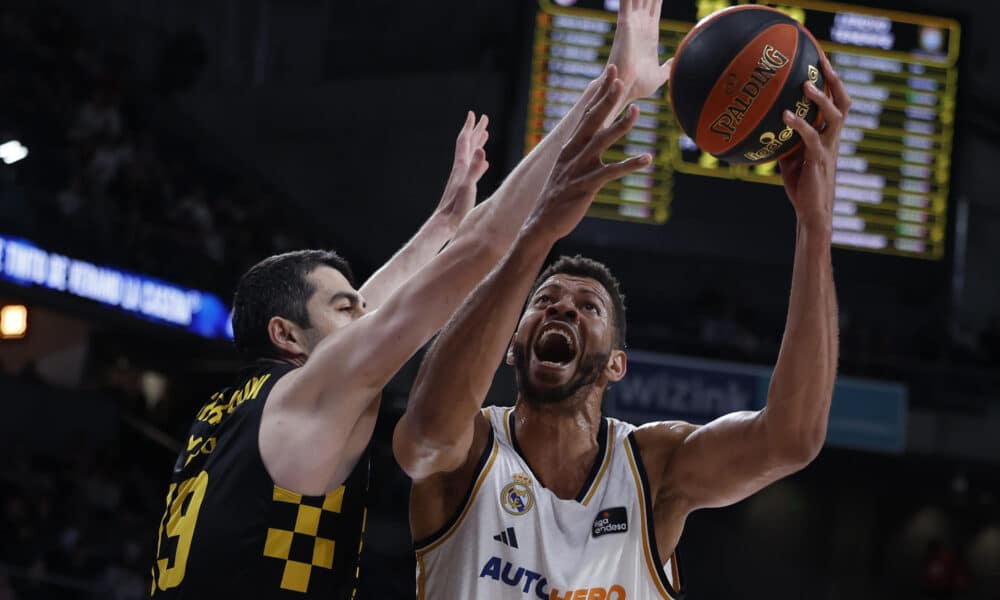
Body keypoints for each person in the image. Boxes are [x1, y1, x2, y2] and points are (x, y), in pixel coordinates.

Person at [148, 7, 668, 595]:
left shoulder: (236, 412)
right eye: (345, 309)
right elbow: (488, 244)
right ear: (286, 335)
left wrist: (444, 220)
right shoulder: (310, 391)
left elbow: (382, 304)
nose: (366, 316)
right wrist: (610, 88)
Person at [392, 25, 852, 600]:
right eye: (545, 301)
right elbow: (425, 435)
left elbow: (792, 439)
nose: (563, 307)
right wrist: (537, 235)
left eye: (588, 306)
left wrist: (815, 225)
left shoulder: (655, 469)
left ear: (616, 364)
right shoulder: (470, 452)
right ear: (512, 345)